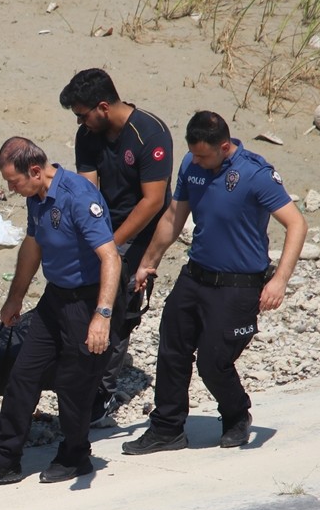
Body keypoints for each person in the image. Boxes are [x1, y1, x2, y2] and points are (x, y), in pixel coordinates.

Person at [122, 111, 308, 455]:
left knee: (213, 360)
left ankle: (237, 414)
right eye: (193, 153)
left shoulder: (256, 174)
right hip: (195, 275)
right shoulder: (192, 167)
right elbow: (174, 217)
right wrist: (148, 263)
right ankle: (167, 429)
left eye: (204, 155)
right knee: (172, 347)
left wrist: (279, 281)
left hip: (239, 286)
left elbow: (296, 225)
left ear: (225, 146)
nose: (196, 160)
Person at [0, 138, 123, 487]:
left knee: (74, 384)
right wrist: (14, 299)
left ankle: (76, 455)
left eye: (13, 181)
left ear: (35, 171)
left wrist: (102, 315)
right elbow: (32, 247)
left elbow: (110, 257)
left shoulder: (78, 197)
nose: (10, 189)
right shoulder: (37, 198)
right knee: (23, 374)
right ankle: (4, 459)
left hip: (87, 300)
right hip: (55, 298)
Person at [58, 68, 173, 424]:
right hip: (103, 227)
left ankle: (102, 391)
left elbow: (153, 201)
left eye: (82, 114)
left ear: (103, 107)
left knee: (118, 312)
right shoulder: (88, 134)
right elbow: (86, 188)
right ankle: (77, 375)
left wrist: (112, 244)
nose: (80, 122)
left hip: (138, 233)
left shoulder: (149, 134)